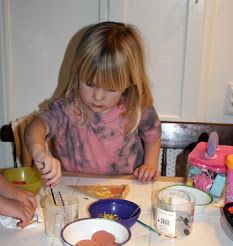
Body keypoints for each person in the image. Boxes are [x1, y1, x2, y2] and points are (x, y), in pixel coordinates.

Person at [25, 21, 161, 186]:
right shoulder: (69, 107)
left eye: (110, 89)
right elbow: (37, 125)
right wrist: (39, 151)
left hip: (125, 190)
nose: (98, 96)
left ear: (129, 83)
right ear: (78, 73)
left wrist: (150, 164)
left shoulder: (137, 108)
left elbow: (152, 136)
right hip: (74, 189)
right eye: (89, 84)